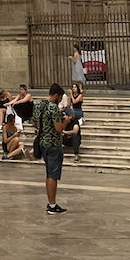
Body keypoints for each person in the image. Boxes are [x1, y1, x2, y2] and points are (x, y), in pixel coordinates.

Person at [34, 83, 67, 214]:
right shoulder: (53, 108)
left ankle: (50, 202)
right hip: (53, 144)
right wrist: (67, 121)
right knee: (53, 175)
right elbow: (59, 128)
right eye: (60, 98)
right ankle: (52, 205)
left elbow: (34, 123)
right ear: (56, 95)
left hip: (43, 143)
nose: (60, 100)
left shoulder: (39, 105)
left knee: (49, 174)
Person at [64, 81, 83, 162]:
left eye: (75, 87)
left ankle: (76, 155)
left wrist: (71, 95)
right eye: (73, 87)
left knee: (74, 136)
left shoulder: (80, 95)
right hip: (72, 110)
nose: (73, 88)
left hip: (78, 111)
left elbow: (75, 102)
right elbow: (68, 105)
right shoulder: (65, 121)